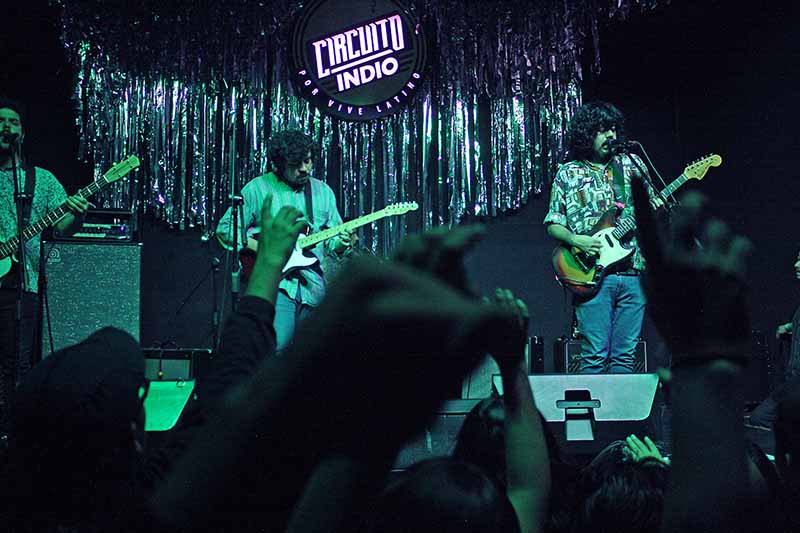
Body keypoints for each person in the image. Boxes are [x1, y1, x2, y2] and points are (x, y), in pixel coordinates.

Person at [216, 129, 355, 351]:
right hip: (276, 286)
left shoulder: (323, 192)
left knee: (312, 356)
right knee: (275, 352)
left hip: (314, 288)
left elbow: (332, 243)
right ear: (278, 165)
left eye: (308, 161)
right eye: (295, 164)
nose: (304, 168)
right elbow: (226, 229)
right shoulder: (257, 188)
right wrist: (265, 248)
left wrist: (342, 242)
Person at [544, 101, 657, 374]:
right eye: (603, 130)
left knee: (625, 358)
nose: (611, 135)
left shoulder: (631, 165)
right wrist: (577, 240)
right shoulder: (568, 173)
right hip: (592, 274)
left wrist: (655, 210)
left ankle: (620, 405)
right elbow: (554, 224)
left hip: (633, 272)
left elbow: (652, 208)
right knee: (594, 356)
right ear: (587, 133)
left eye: (614, 129)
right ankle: (593, 405)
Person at [0, 97, 89, 432]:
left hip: (23, 286)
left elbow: (62, 227)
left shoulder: (42, 180)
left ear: (22, 133)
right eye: (0, 121)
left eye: (13, 122)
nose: (6, 126)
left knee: (16, 364)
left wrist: (77, 215)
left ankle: (12, 434)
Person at [747, 250, 800, 429]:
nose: (796, 265)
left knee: (764, 418)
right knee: (761, 417)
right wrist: (789, 327)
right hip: (792, 383)